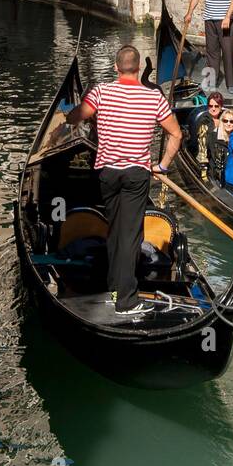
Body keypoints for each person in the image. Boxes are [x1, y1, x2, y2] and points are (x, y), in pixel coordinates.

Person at [68, 43, 182, 318]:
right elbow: (176, 135)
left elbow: (76, 117)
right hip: (136, 174)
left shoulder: (100, 92)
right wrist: (162, 166)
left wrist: (73, 115)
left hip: (107, 173)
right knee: (131, 235)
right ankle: (127, 301)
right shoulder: (154, 98)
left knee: (116, 231)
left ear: (116, 68)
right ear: (139, 68)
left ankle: (115, 289)